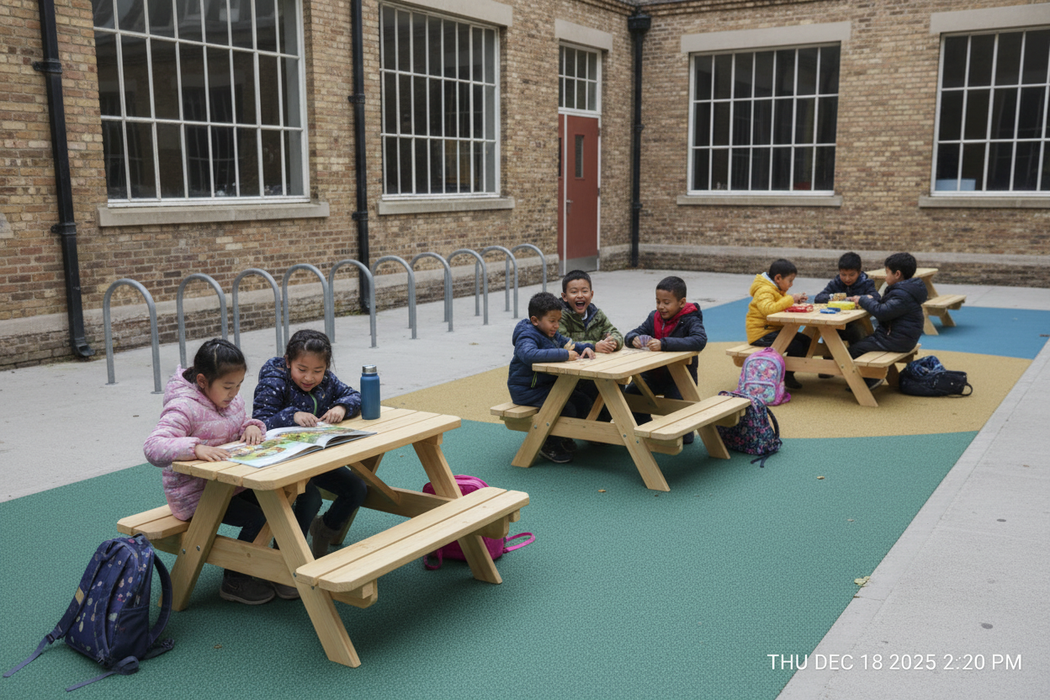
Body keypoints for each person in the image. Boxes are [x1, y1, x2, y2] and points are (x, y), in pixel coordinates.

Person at [143, 338, 286, 605]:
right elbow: (153, 447)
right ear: (202, 381)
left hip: (231, 484)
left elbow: (239, 421)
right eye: (228, 386)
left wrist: (251, 426)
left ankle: (271, 566)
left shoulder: (227, 398)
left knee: (282, 501)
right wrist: (194, 448)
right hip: (196, 496)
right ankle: (235, 579)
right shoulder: (183, 406)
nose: (234, 393)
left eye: (239, 385)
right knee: (263, 516)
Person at [253, 329, 367, 559]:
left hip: (314, 459)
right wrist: (292, 415)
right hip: (282, 464)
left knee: (356, 489)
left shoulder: (326, 381)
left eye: (318, 370)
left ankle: (323, 530)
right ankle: (288, 558)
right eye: (302, 370)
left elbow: (355, 395)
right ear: (288, 362)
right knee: (309, 498)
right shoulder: (274, 380)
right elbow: (259, 422)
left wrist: (342, 407)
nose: (309, 378)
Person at [508, 291, 595, 464]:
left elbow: (570, 343)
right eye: (552, 321)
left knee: (583, 401)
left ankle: (563, 436)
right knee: (566, 407)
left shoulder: (551, 333)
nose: (556, 326)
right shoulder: (527, 335)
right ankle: (549, 445)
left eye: (558, 321)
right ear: (535, 320)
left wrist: (588, 347)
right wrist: (564, 354)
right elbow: (529, 354)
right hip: (527, 390)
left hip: (545, 387)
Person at [622, 276, 708, 442]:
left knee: (682, 424)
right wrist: (633, 339)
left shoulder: (690, 319)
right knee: (631, 394)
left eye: (666, 302)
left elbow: (699, 341)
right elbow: (633, 333)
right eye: (658, 301)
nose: (661, 306)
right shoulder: (654, 317)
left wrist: (664, 344)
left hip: (679, 378)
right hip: (653, 375)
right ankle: (645, 430)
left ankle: (684, 434)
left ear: (681, 302)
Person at [847, 252, 928, 390]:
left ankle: (870, 379)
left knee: (853, 351)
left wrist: (863, 300)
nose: (885, 277)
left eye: (887, 272)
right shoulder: (906, 290)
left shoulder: (902, 294)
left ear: (897, 274)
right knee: (862, 342)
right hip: (901, 337)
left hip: (895, 340)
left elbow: (882, 313)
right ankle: (869, 377)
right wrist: (871, 300)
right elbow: (888, 307)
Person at [558, 270, 624, 412]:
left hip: (596, 371)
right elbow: (563, 342)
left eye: (584, 291)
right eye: (574, 292)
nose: (580, 295)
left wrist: (613, 342)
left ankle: (604, 426)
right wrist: (595, 346)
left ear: (591, 294)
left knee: (618, 385)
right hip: (570, 376)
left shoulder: (597, 315)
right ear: (564, 296)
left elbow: (615, 332)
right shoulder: (560, 316)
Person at [746, 259, 810, 389]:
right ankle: (787, 375)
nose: (791, 284)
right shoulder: (764, 290)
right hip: (761, 334)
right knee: (796, 345)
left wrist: (794, 302)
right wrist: (790, 299)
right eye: (790, 281)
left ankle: (788, 373)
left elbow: (778, 305)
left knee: (805, 340)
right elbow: (769, 310)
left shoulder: (775, 290)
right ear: (778, 278)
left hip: (771, 330)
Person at [813, 251, 881, 346]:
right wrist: (835, 297)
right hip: (836, 323)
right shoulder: (835, 283)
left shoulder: (866, 283)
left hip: (857, 323)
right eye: (843, 275)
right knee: (826, 332)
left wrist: (861, 299)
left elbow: (876, 298)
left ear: (859, 271)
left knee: (857, 333)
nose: (847, 279)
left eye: (851, 275)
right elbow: (819, 298)